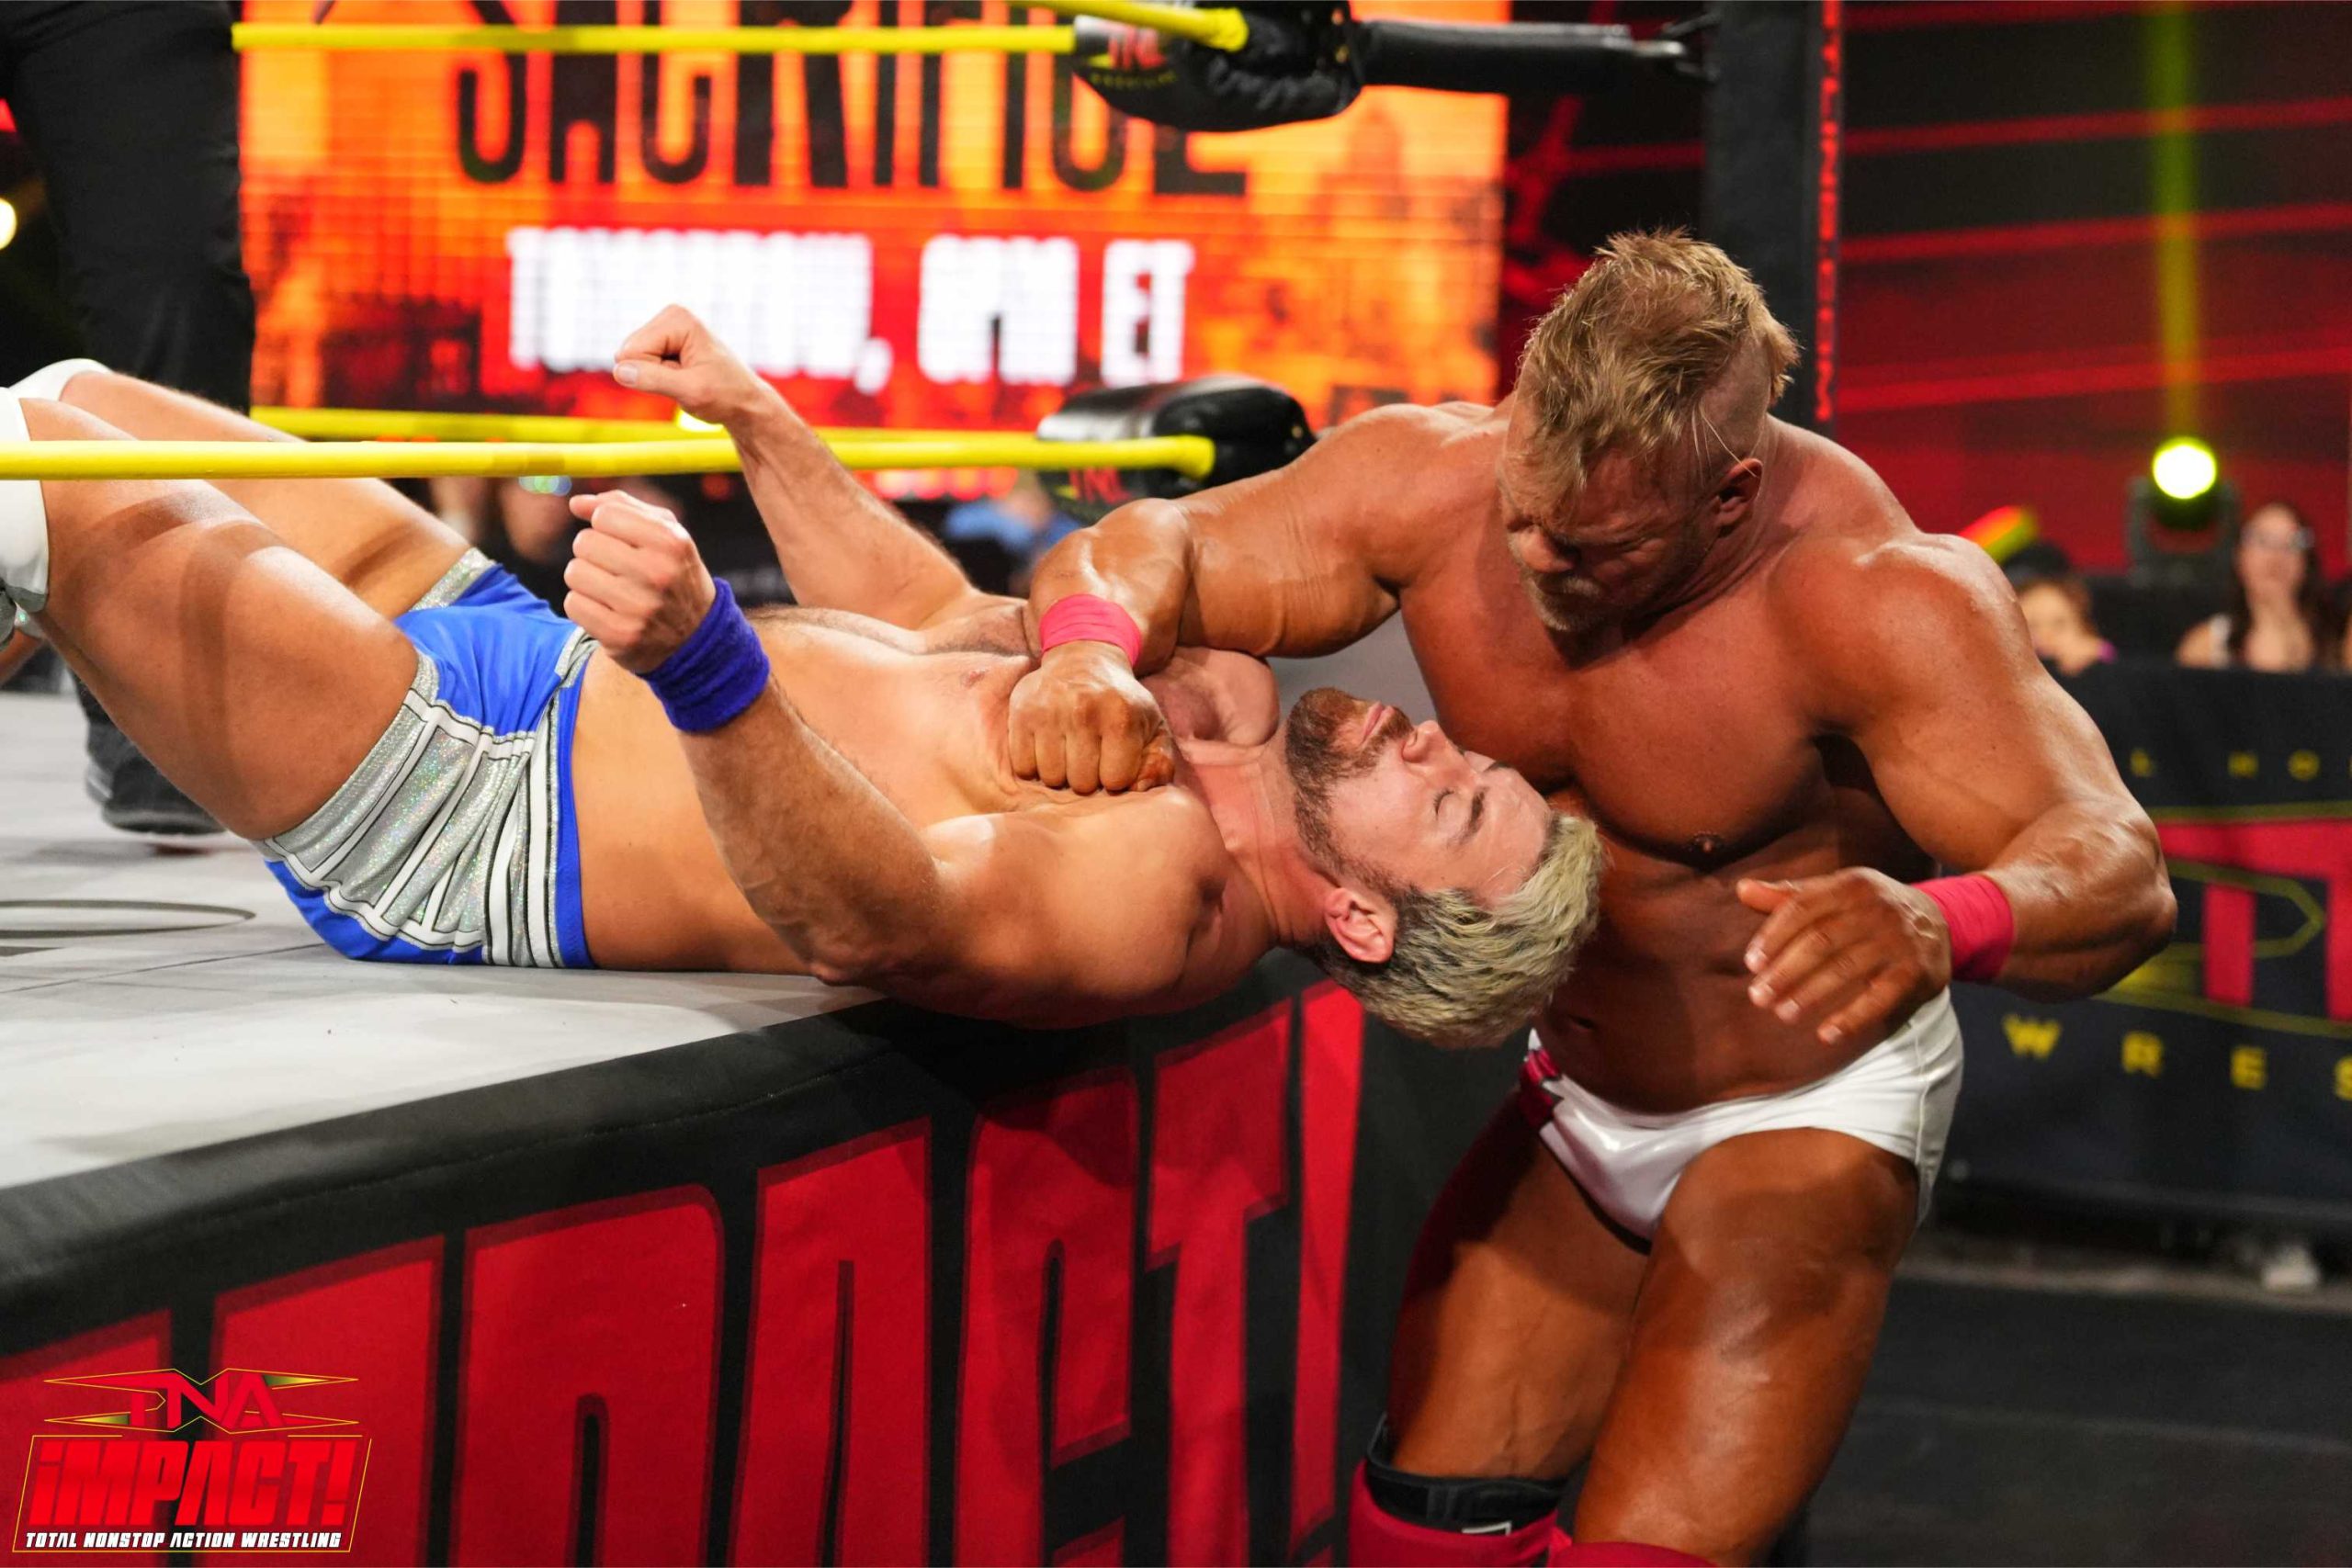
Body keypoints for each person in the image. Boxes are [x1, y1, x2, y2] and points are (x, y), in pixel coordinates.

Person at [1009, 231, 2175, 1563]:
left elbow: (2120, 868)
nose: (1538, 561)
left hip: (1803, 1107)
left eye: (1597, 544)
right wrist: (1089, 658)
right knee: (1419, 1542)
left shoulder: (1873, 599)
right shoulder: (1434, 483)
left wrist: (1948, 917)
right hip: (1582, 1101)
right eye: (1525, 511)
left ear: (1729, 497)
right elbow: (1148, 541)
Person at [0, 327, 1600, 1046]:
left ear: (1366, 917)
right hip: (526, 655)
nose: (1433, 737)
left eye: (1451, 800)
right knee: (73, 396)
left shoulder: (1159, 893)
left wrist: (709, 664)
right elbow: (934, 615)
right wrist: (759, 421)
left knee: (32, 480)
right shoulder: (1221, 712)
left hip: (477, 804)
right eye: (1470, 761)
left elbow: (880, 919)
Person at [2176, 500, 2337, 672]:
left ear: (2306, 562)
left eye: (2291, 544)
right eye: (2262, 541)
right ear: (2239, 557)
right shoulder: (2207, 646)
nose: (2276, 557)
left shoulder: (2336, 641)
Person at [2012, 569, 2115, 676]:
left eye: (2059, 624)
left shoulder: (2093, 661)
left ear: (2084, 628)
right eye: (2032, 626)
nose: (2046, 634)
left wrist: (2099, 651)